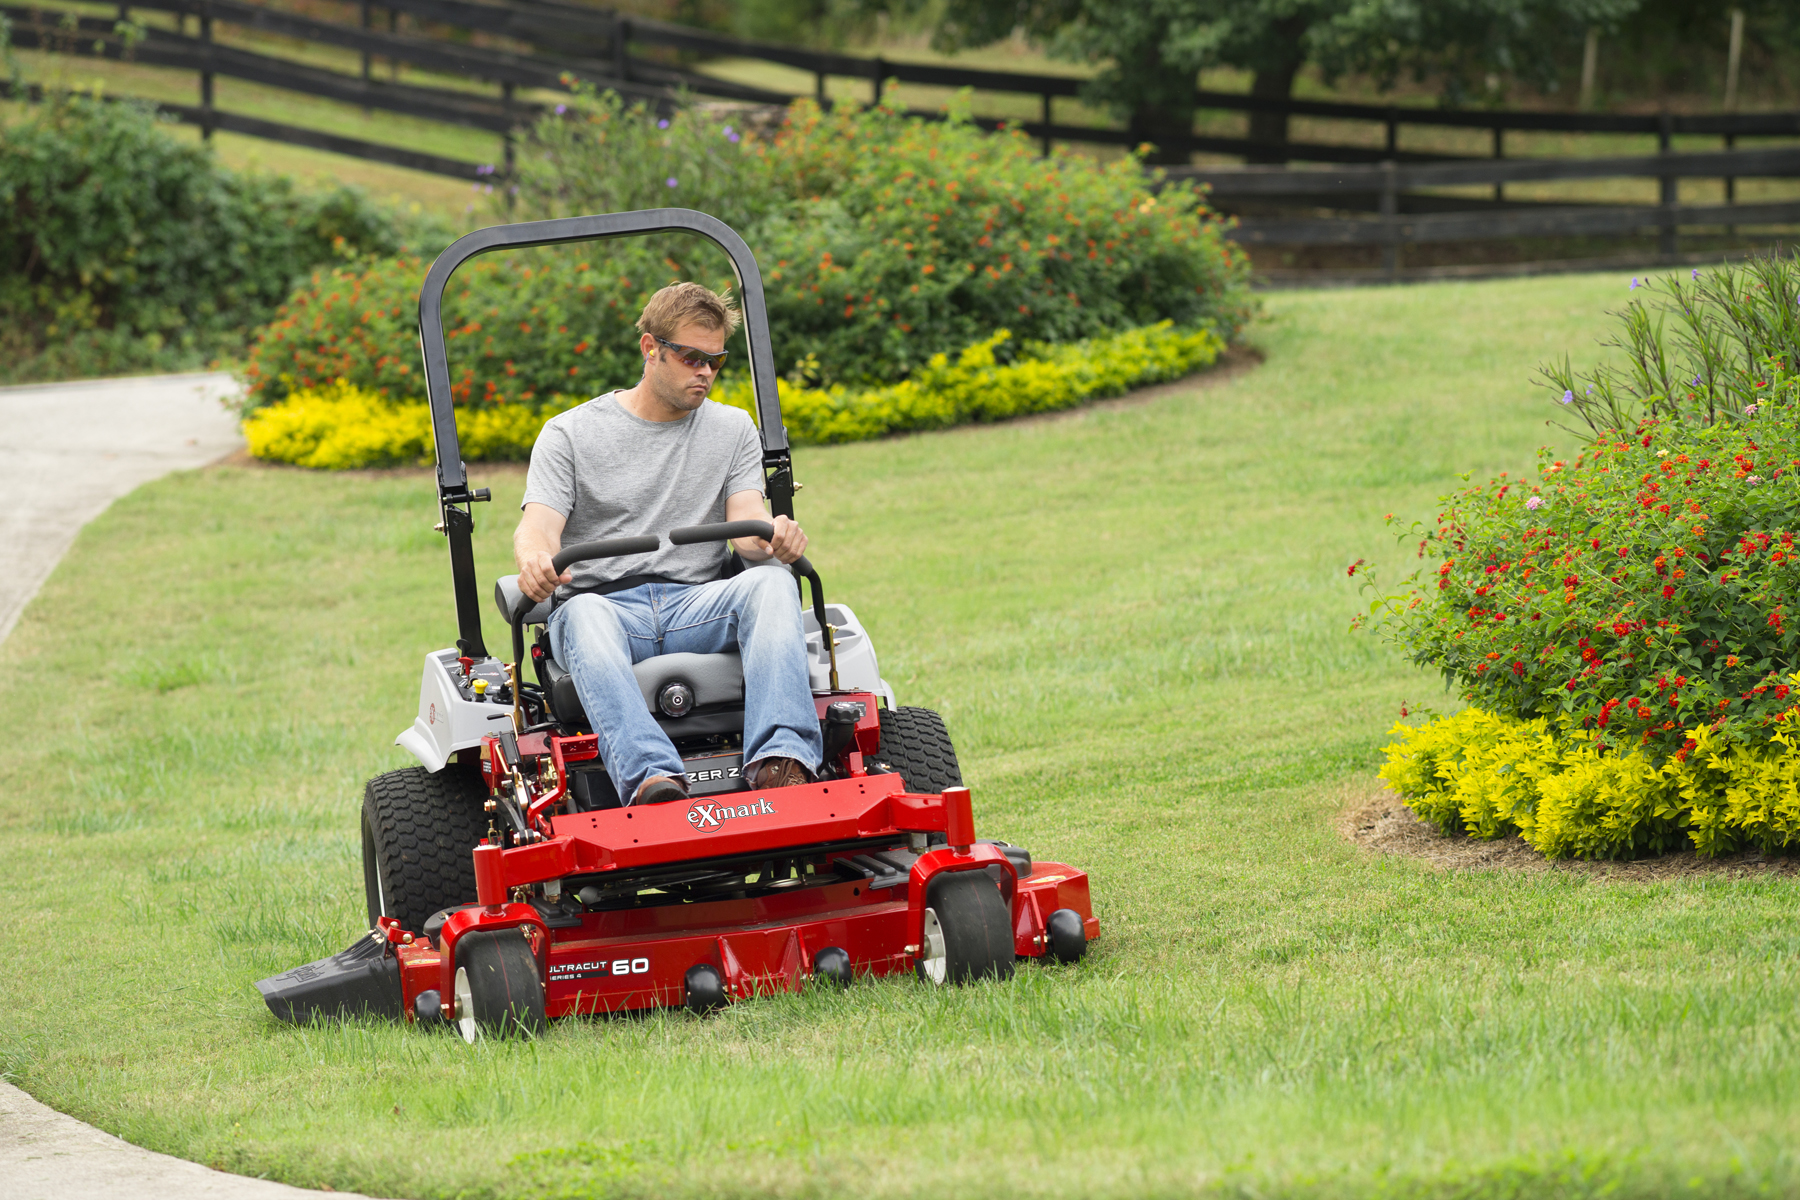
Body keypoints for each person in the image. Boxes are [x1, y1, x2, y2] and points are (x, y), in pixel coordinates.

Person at [513, 282, 822, 806]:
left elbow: (747, 521)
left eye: (716, 361)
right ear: (650, 348)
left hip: (696, 601)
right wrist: (535, 560)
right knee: (583, 615)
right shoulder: (569, 434)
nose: (704, 371)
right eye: (690, 357)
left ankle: (782, 761)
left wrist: (774, 536)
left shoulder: (733, 428)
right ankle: (652, 781)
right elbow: (538, 526)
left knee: (771, 581)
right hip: (603, 607)